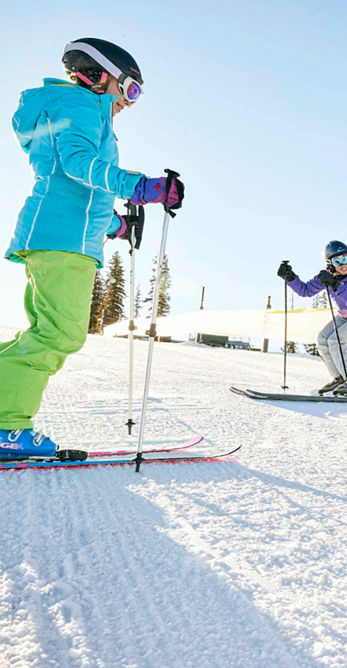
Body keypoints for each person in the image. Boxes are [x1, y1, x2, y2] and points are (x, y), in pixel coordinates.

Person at [0, 38, 184, 460]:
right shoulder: (81, 106)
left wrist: (116, 224)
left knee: (46, 330)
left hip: (59, 235)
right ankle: (6, 425)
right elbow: (77, 165)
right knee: (58, 333)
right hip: (63, 240)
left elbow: (72, 188)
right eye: (131, 89)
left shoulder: (68, 108)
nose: (132, 102)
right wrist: (141, 187)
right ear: (101, 76)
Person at [277, 241, 347, 395]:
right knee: (323, 339)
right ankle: (340, 378)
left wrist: (336, 285)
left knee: (336, 340)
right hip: (346, 316)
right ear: (329, 263)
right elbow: (305, 291)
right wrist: (290, 277)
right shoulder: (327, 277)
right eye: (339, 261)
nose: (345, 264)